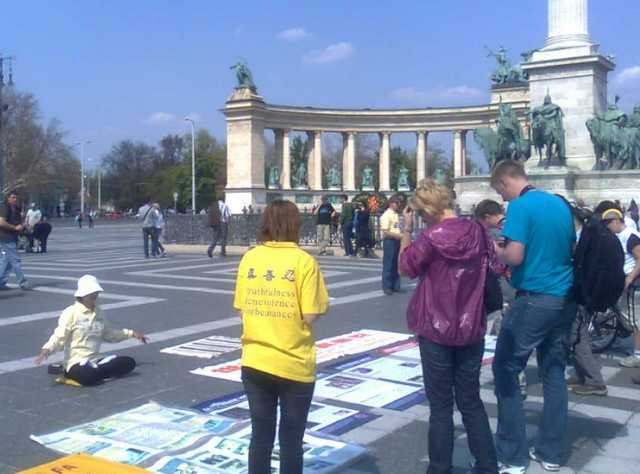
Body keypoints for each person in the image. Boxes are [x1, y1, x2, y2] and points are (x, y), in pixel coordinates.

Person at [398, 179, 498, 474]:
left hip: (434, 327)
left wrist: (405, 230)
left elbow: (405, 268)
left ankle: (440, 468)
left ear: (427, 209)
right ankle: (488, 465)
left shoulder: (430, 237)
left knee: (440, 406)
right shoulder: (479, 231)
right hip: (471, 325)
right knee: (470, 400)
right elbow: (497, 264)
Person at [490, 160, 576, 473]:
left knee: (506, 369)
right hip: (564, 297)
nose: (502, 198)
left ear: (503, 182)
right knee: (554, 372)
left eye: (500, 191)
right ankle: (551, 453)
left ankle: (512, 455)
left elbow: (515, 255)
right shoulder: (558, 204)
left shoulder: (521, 207)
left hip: (534, 297)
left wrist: (498, 250)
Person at [233, 200, 329, 474]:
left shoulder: (250, 258)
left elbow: (241, 308)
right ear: (295, 225)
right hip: (294, 363)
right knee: (291, 442)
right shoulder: (304, 261)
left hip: (255, 360)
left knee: (260, 437)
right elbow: (310, 314)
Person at [34, 275, 149, 386]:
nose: (95, 297)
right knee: (89, 376)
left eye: (96, 294)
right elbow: (59, 337)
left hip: (96, 359)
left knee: (129, 362)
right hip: (76, 362)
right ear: (82, 295)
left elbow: (109, 334)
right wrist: (47, 350)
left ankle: (96, 372)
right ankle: (72, 373)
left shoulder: (99, 313)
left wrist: (131, 334)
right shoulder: (71, 313)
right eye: (92, 295)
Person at [568, 203, 615, 396]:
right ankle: (583, 375)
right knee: (580, 336)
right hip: (586, 294)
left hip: (582, 294)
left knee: (577, 337)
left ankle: (595, 381)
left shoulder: (584, 236)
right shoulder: (591, 233)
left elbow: (581, 265)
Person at [600, 205, 640, 382]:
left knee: (635, 319)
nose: (607, 227)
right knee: (631, 318)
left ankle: (638, 354)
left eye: (608, 223)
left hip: (634, 284)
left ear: (617, 221)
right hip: (626, 281)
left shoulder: (630, 236)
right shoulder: (619, 236)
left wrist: (630, 278)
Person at [0, 192, 31, 290]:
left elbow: (19, 222)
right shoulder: (4, 208)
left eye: (16, 197)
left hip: (12, 236)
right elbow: (1, 222)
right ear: (7, 198)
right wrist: (15, 227)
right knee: (15, 260)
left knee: (6, 261)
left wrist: (22, 225)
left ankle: (1, 282)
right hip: (5, 237)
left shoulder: (17, 209)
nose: (15, 199)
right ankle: (22, 282)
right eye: (12, 197)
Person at [380, 196, 402, 295]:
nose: (399, 205)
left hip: (396, 240)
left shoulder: (395, 215)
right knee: (388, 264)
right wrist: (398, 236)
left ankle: (395, 285)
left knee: (396, 264)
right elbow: (385, 232)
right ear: (391, 203)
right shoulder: (386, 215)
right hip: (390, 241)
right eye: (397, 203)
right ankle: (387, 286)